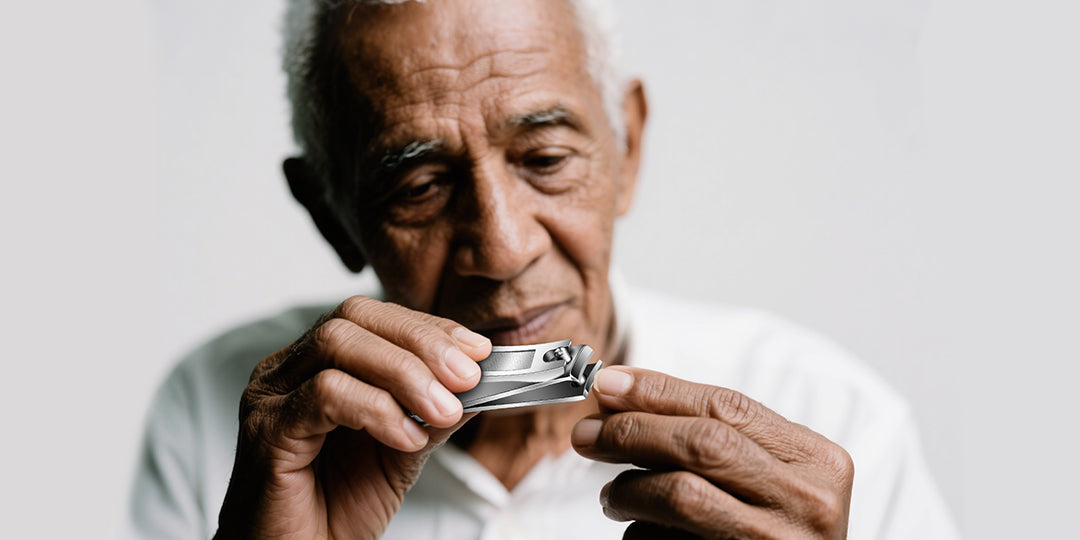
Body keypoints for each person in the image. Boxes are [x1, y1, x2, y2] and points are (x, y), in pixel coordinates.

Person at [127, 0, 960, 538]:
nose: (502, 247)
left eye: (547, 157)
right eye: (418, 184)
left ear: (627, 148)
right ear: (329, 211)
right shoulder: (230, 427)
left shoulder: (836, 425)